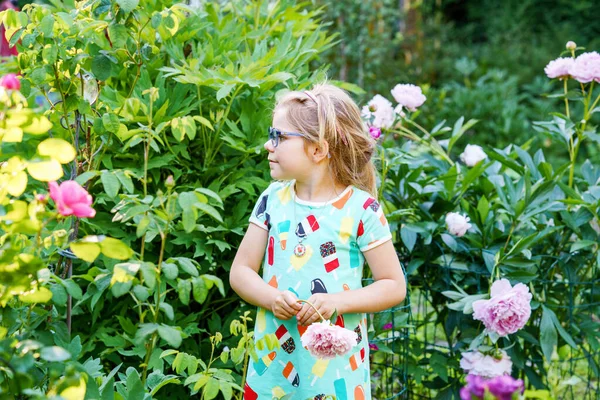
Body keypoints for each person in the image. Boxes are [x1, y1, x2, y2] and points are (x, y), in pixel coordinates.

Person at [230, 82, 406, 399]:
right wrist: (270, 298)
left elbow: (393, 285)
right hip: (273, 367)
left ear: (317, 150)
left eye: (278, 137)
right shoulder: (272, 200)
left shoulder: (361, 210)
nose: (268, 146)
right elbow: (241, 271)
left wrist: (337, 302)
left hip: (335, 373)